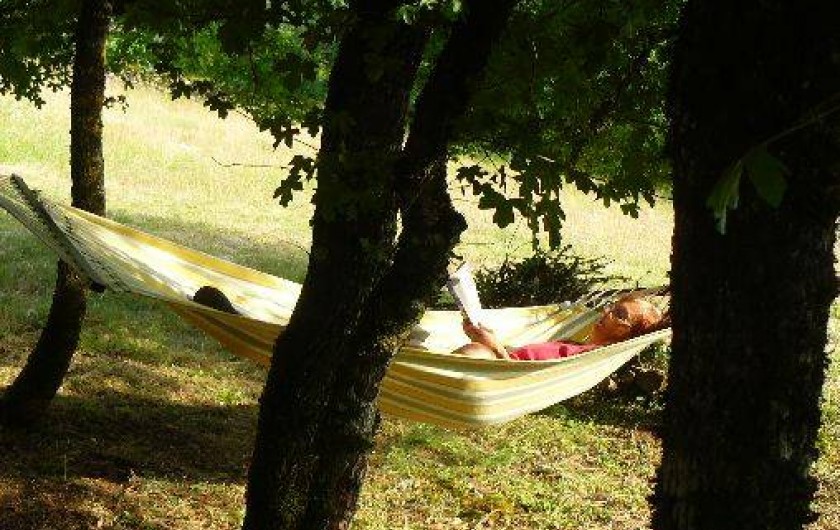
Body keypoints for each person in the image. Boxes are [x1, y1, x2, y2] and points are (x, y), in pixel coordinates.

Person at [456, 295, 667, 360]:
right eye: (612, 306)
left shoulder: (588, 358)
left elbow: (524, 375)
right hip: (499, 363)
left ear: (626, 331)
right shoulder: (574, 345)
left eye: (619, 313)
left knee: (474, 352)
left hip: (500, 371)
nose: (606, 311)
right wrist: (491, 340)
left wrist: (494, 347)